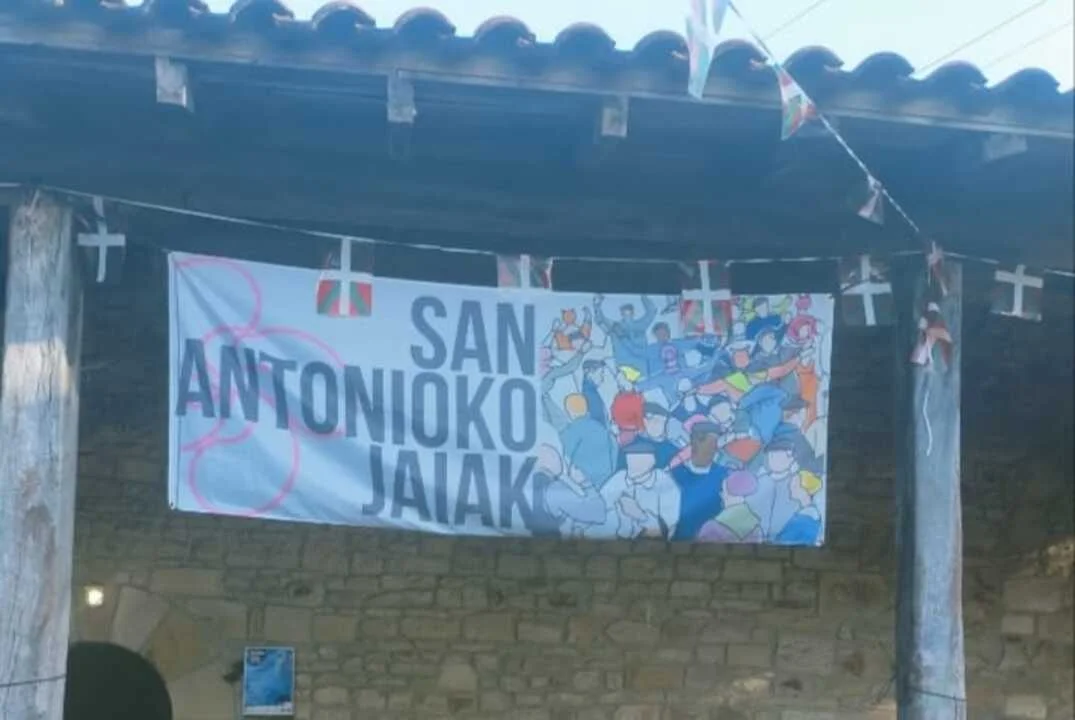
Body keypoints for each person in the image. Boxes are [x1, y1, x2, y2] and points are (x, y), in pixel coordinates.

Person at [596, 439, 680, 539]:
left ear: (652, 461)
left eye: (639, 460)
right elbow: (599, 506)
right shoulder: (619, 477)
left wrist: (640, 515)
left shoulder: (664, 482)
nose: (632, 465)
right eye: (630, 460)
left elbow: (667, 528)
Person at [747, 434, 823, 541]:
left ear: (791, 458)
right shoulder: (758, 482)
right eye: (771, 455)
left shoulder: (797, 484)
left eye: (779, 456)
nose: (774, 460)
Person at [670, 422, 728, 541]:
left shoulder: (725, 475)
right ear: (696, 442)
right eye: (712, 442)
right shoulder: (674, 476)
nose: (716, 448)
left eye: (717, 443)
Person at [593, 294, 657, 376]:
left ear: (633, 313)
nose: (627, 315)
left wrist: (643, 296)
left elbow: (652, 311)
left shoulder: (640, 325)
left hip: (642, 368)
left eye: (629, 312)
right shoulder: (615, 327)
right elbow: (600, 319)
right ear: (621, 314)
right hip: (624, 370)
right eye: (625, 313)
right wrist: (597, 306)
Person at [697, 470, 764, 543]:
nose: (721, 494)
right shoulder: (756, 526)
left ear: (727, 494)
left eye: (723, 490)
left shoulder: (712, 528)